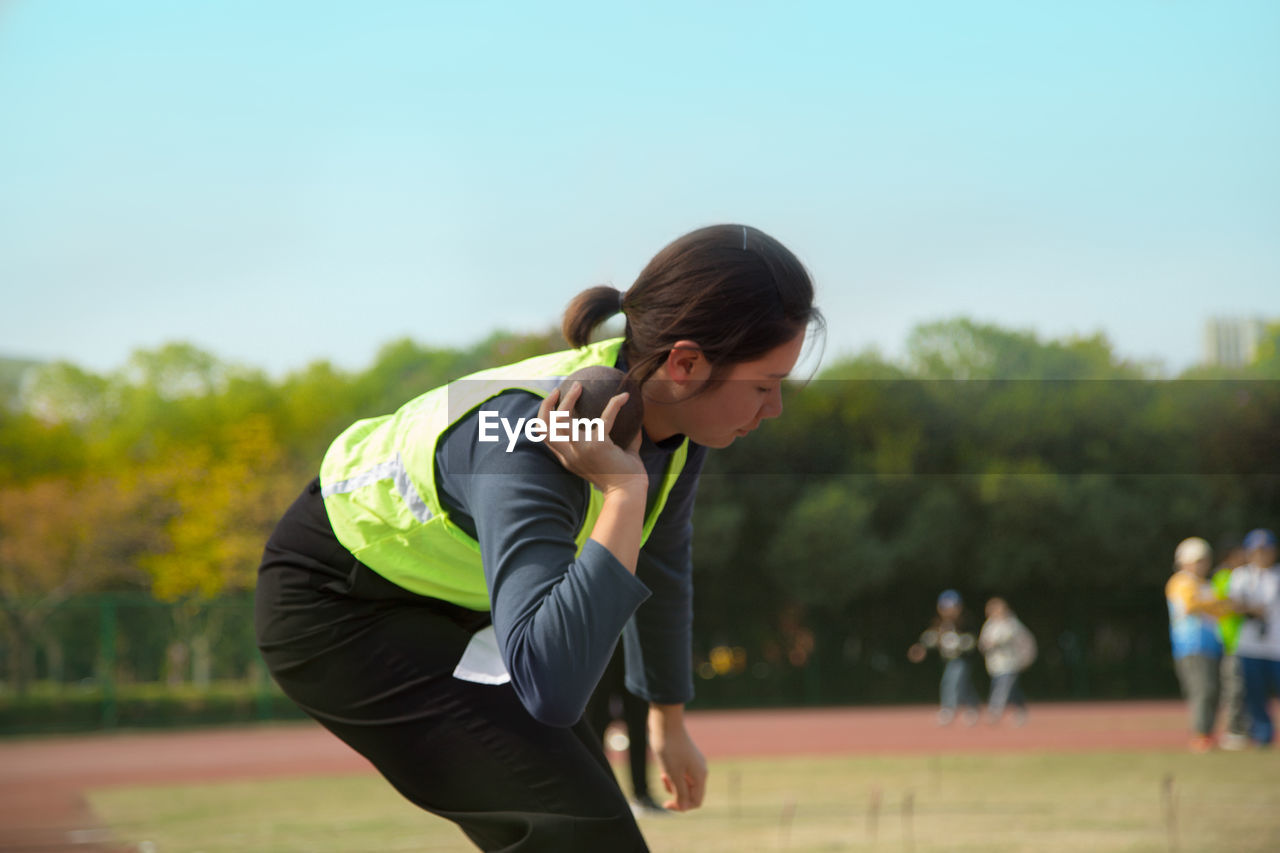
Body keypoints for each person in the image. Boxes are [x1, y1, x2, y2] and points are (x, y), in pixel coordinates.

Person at [253, 223, 822, 852]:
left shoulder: (666, 422)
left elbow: (660, 558)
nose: (772, 411)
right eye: (764, 387)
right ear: (685, 364)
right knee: (579, 834)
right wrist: (623, 492)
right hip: (337, 608)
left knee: (590, 826)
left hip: (448, 604)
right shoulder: (526, 438)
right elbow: (551, 686)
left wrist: (667, 715)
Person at [1165, 537, 1230, 752]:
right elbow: (1192, 605)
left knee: (1213, 690)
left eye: (1204, 560)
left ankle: (1208, 733)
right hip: (1191, 646)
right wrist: (1215, 604)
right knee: (1202, 690)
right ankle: (1200, 735)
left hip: (1210, 644)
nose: (1202, 564)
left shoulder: (1205, 584)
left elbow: (1220, 610)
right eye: (1197, 560)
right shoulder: (1181, 581)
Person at [586, 645, 667, 817]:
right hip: (600, 646)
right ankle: (593, 795)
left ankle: (641, 795)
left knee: (638, 723)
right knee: (595, 726)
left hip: (633, 649)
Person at [1228, 528, 1280, 748]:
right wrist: (1251, 609)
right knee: (1255, 694)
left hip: (1277, 645)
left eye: (1265, 550)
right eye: (1256, 551)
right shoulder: (1240, 576)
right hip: (1250, 646)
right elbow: (1232, 604)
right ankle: (1262, 736)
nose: (1261, 555)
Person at [907, 590, 980, 725]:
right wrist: (921, 647)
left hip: (962, 659)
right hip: (948, 660)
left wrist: (958, 643)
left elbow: (972, 641)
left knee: (951, 682)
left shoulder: (966, 622)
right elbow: (930, 638)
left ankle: (948, 709)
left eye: (951, 607)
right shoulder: (940, 624)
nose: (948, 611)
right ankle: (973, 707)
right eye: (944, 608)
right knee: (963, 684)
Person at [1211, 540, 1249, 750]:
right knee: (1233, 687)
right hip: (1231, 642)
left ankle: (1245, 728)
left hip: (1249, 643)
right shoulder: (1223, 577)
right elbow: (1223, 603)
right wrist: (1248, 607)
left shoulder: (1245, 576)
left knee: (1246, 687)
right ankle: (1233, 730)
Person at [977, 597, 1036, 726]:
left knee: (1002, 688)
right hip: (995, 665)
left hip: (1010, 664)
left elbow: (1023, 642)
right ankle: (1021, 710)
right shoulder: (989, 625)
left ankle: (995, 711)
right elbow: (983, 642)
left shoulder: (1012, 624)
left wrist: (1026, 659)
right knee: (1012, 690)